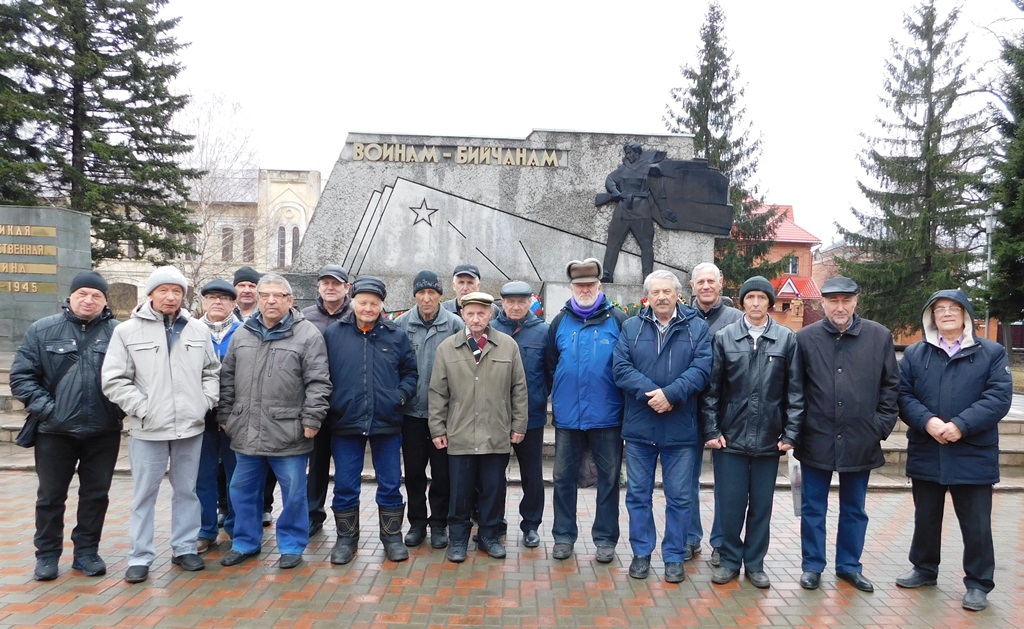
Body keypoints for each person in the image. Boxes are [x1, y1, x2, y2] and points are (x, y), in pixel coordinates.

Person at [896, 290, 1012, 612]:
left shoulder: (991, 352)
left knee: (976, 525)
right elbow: (903, 395)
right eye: (939, 309)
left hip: (972, 452)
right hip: (927, 449)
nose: (946, 313)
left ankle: (977, 583)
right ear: (931, 317)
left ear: (966, 315)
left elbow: (998, 398)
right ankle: (923, 569)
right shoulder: (916, 354)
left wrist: (961, 425)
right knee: (926, 518)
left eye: (953, 308)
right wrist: (927, 421)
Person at [102, 266, 220, 584]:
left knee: (187, 491)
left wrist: (203, 402)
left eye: (177, 291)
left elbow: (212, 371)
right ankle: (140, 556)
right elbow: (114, 379)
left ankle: (184, 548)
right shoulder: (127, 332)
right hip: (148, 429)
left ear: (184, 295)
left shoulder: (198, 330)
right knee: (144, 494)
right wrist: (142, 409)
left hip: (190, 428)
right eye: (164, 290)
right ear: (151, 293)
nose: (171, 296)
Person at [10, 271, 125, 581]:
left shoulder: (119, 333)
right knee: (50, 496)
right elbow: (21, 376)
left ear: (105, 301)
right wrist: (49, 411)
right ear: (70, 297)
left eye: (96, 295)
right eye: (82, 294)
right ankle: (46, 555)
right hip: (54, 432)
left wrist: (118, 410)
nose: (89, 300)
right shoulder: (43, 330)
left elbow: (133, 376)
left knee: (96, 495)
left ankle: (87, 552)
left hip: (103, 431)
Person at [217, 273, 331, 570]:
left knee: (293, 493)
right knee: (241, 490)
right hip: (246, 430)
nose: (270, 300)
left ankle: (292, 545)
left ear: (290, 300)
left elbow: (319, 382)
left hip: (289, 431)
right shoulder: (242, 334)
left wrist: (312, 418)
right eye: (264, 295)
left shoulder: (307, 335)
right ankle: (245, 542)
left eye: (277, 295)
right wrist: (225, 414)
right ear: (257, 299)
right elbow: (227, 378)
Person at [794, 276, 899, 593]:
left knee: (854, 508)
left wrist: (878, 427)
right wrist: (798, 430)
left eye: (846, 300)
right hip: (816, 438)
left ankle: (849, 566)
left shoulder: (878, 336)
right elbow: (795, 389)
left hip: (860, 439)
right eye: (833, 301)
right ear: (823, 303)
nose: (840, 307)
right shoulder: (805, 338)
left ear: (856, 302)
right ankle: (812, 566)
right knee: (813, 508)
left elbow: (891, 386)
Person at [701, 277, 803, 589]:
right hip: (730, 438)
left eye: (761, 298)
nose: (756, 303)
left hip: (769, 439)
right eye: (750, 297)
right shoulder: (724, 337)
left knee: (761, 506)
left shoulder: (786, 339)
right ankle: (730, 560)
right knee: (730, 505)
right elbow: (711, 391)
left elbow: (795, 392)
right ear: (742, 302)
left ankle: (755, 563)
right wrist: (712, 429)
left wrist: (791, 433)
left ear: (770, 302)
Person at [612, 270, 711, 582]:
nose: (662, 297)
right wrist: (651, 394)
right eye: (656, 292)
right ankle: (641, 554)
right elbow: (621, 368)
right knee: (638, 495)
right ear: (648, 296)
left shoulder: (697, 327)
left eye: (667, 291)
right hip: (640, 428)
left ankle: (674, 556)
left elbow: (702, 369)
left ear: (677, 294)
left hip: (680, 430)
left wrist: (671, 394)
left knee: (680, 497)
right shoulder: (631, 327)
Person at [323, 276, 417, 565]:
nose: (368, 308)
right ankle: (346, 539)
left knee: (389, 482)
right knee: (345, 483)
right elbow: (320, 372)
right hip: (345, 421)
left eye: (374, 303)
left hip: (386, 421)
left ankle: (391, 538)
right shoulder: (333, 334)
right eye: (363, 302)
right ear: (353, 302)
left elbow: (410, 373)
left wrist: (399, 396)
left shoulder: (395, 334)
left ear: (381, 306)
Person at [429, 291, 529, 563]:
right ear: (462, 314)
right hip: (459, 433)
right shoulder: (447, 348)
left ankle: (488, 536)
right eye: (470, 313)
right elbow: (437, 392)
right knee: (459, 491)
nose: (476, 318)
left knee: (493, 489)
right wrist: (437, 428)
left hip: (495, 431)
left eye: (481, 313)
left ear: (490, 315)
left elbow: (518, 389)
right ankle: (458, 539)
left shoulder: (507, 346)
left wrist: (519, 424)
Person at [546, 258, 627, 563]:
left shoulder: (617, 320)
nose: (584, 290)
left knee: (608, 480)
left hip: (607, 417)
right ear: (572, 288)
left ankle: (605, 539)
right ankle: (564, 537)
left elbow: (625, 364)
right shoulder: (560, 322)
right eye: (579, 286)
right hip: (568, 418)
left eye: (590, 285)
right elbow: (552, 364)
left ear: (599, 287)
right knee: (563, 478)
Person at [394, 270, 461, 549]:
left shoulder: (455, 325)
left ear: (440, 295)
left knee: (443, 473)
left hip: (444, 415)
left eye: (431, 292)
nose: (426, 298)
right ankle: (417, 523)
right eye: (421, 293)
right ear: (414, 296)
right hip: (411, 414)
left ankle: (439, 524)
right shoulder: (401, 325)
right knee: (414, 473)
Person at [688, 262, 742, 566]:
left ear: (721, 283)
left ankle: (722, 541)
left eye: (712, 281)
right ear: (692, 286)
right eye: (701, 282)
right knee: (686, 481)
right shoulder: (682, 318)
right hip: (688, 410)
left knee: (726, 483)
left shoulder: (736, 319)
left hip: (726, 413)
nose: (706, 286)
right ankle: (689, 538)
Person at [491, 280, 551, 549]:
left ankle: (531, 525)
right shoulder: (491, 328)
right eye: (510, 301)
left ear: (530, 303)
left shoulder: (543, 332)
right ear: (502, 303)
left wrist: (538, 396)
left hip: (531, 416)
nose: (515, 307)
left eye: (521, 302)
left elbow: (551, 371)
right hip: (496, 415)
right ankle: (495, 523)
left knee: (532, 474)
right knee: (493, 474)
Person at [301, 264, 352, 536]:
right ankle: (312, 513)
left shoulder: (360, 313)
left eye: (336, 283)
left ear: (347, 287)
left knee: (347, 466)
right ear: (318, 287)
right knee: (316, 463)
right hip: (315, 402)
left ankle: (346, 517)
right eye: (325, 283)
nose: (330, 287)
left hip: (347, 403)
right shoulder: (304, 318)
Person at [195, 279, 242, 554]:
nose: (218, 302)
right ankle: (205, 530)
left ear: (233, 304)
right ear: (203, 302)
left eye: (224, 298)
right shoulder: (191, 331)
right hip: (201, 416)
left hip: (236, 416)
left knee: (238, 475)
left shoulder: (245, 332)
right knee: (203, 475)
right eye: (211, 297)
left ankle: (238, 528)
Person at [231, 265, 277, 527]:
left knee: (272, 470)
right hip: (240, 412)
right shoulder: (235, 325)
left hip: (277, 413)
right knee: (237, 475)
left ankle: (265, 506)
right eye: (243, 286)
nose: (247, 290)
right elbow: (227, 375)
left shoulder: (294, 326)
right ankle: (235, 522)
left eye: (251, 285)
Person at [601, 142, 658, 283]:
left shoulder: (648, 168)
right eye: (626, 153)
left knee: (646, 244)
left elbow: (658, 189)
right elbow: (610, 180)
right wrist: (616, 192)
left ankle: (648, 276)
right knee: (613, 241)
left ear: (637, 153)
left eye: (630, 153)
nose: (628, 156)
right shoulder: (623, 169)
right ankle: (607, 273)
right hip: (623, 208)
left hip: (642, 209)